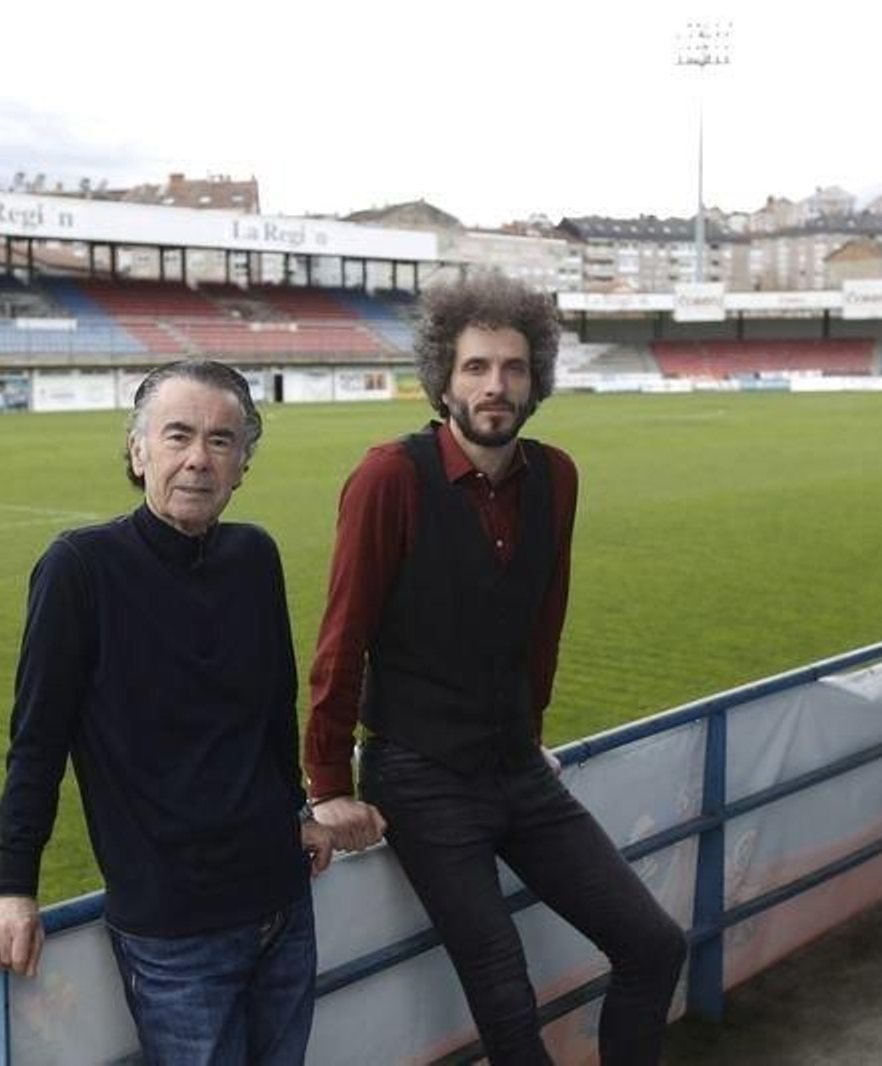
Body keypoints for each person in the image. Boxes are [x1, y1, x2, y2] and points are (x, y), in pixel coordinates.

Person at [304, 275, 688, 1064]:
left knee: (654, 946)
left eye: (513, 368)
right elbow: (342, 638)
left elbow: (541, 626)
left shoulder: (557, 476)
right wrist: (328, 788)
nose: (495, 385)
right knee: (510, 1008)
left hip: (517, 768)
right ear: (444, 375)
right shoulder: (390, 478)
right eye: (477, 367)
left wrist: (528, 732)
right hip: (421, 774)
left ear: (536, 378)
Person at [0, 360, 333, 1065]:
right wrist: (14, 888)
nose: (199, 458)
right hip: (177, 931)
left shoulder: (255, 556)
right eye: (178, 436)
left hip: (283, 900)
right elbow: (38, 740)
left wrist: (298, 809)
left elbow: (271, 707)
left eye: (223, 441)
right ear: (139, 452)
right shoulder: (79, 569)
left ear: (243, 465)